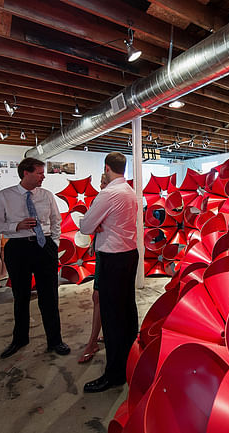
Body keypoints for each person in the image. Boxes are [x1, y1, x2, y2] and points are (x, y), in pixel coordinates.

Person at [0, 157, 70, 359]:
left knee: (49, 296)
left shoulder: (46, 195)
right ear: (26, 173)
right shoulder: (4, 196)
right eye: (40, 173)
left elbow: (56, 221)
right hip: (18, 248)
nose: (43, 176)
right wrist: (15, 226)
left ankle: (55, 340)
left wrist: (55, 243)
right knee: (21, 296)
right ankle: (20, 339)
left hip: (45, 247)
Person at [80, 152, 139, 392]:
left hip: (112, 258)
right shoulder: (130, 192)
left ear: (107, 168)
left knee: (112, 317)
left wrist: (97, 224)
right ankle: (129, 361)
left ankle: (114, 374)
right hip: (129, 255)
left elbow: (85, 226)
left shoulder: (108, 193)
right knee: (127, 310)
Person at [77, 173, 109, 364]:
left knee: (99, 296)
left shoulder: (109, 198)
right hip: (102, 251)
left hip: (109, 254)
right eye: (101, 182)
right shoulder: (101, 199)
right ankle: (97, 337)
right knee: (99, 296)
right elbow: (89, 225)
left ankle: (93, 342)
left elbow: (91, 224)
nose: (101, 185)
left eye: (104, 182)